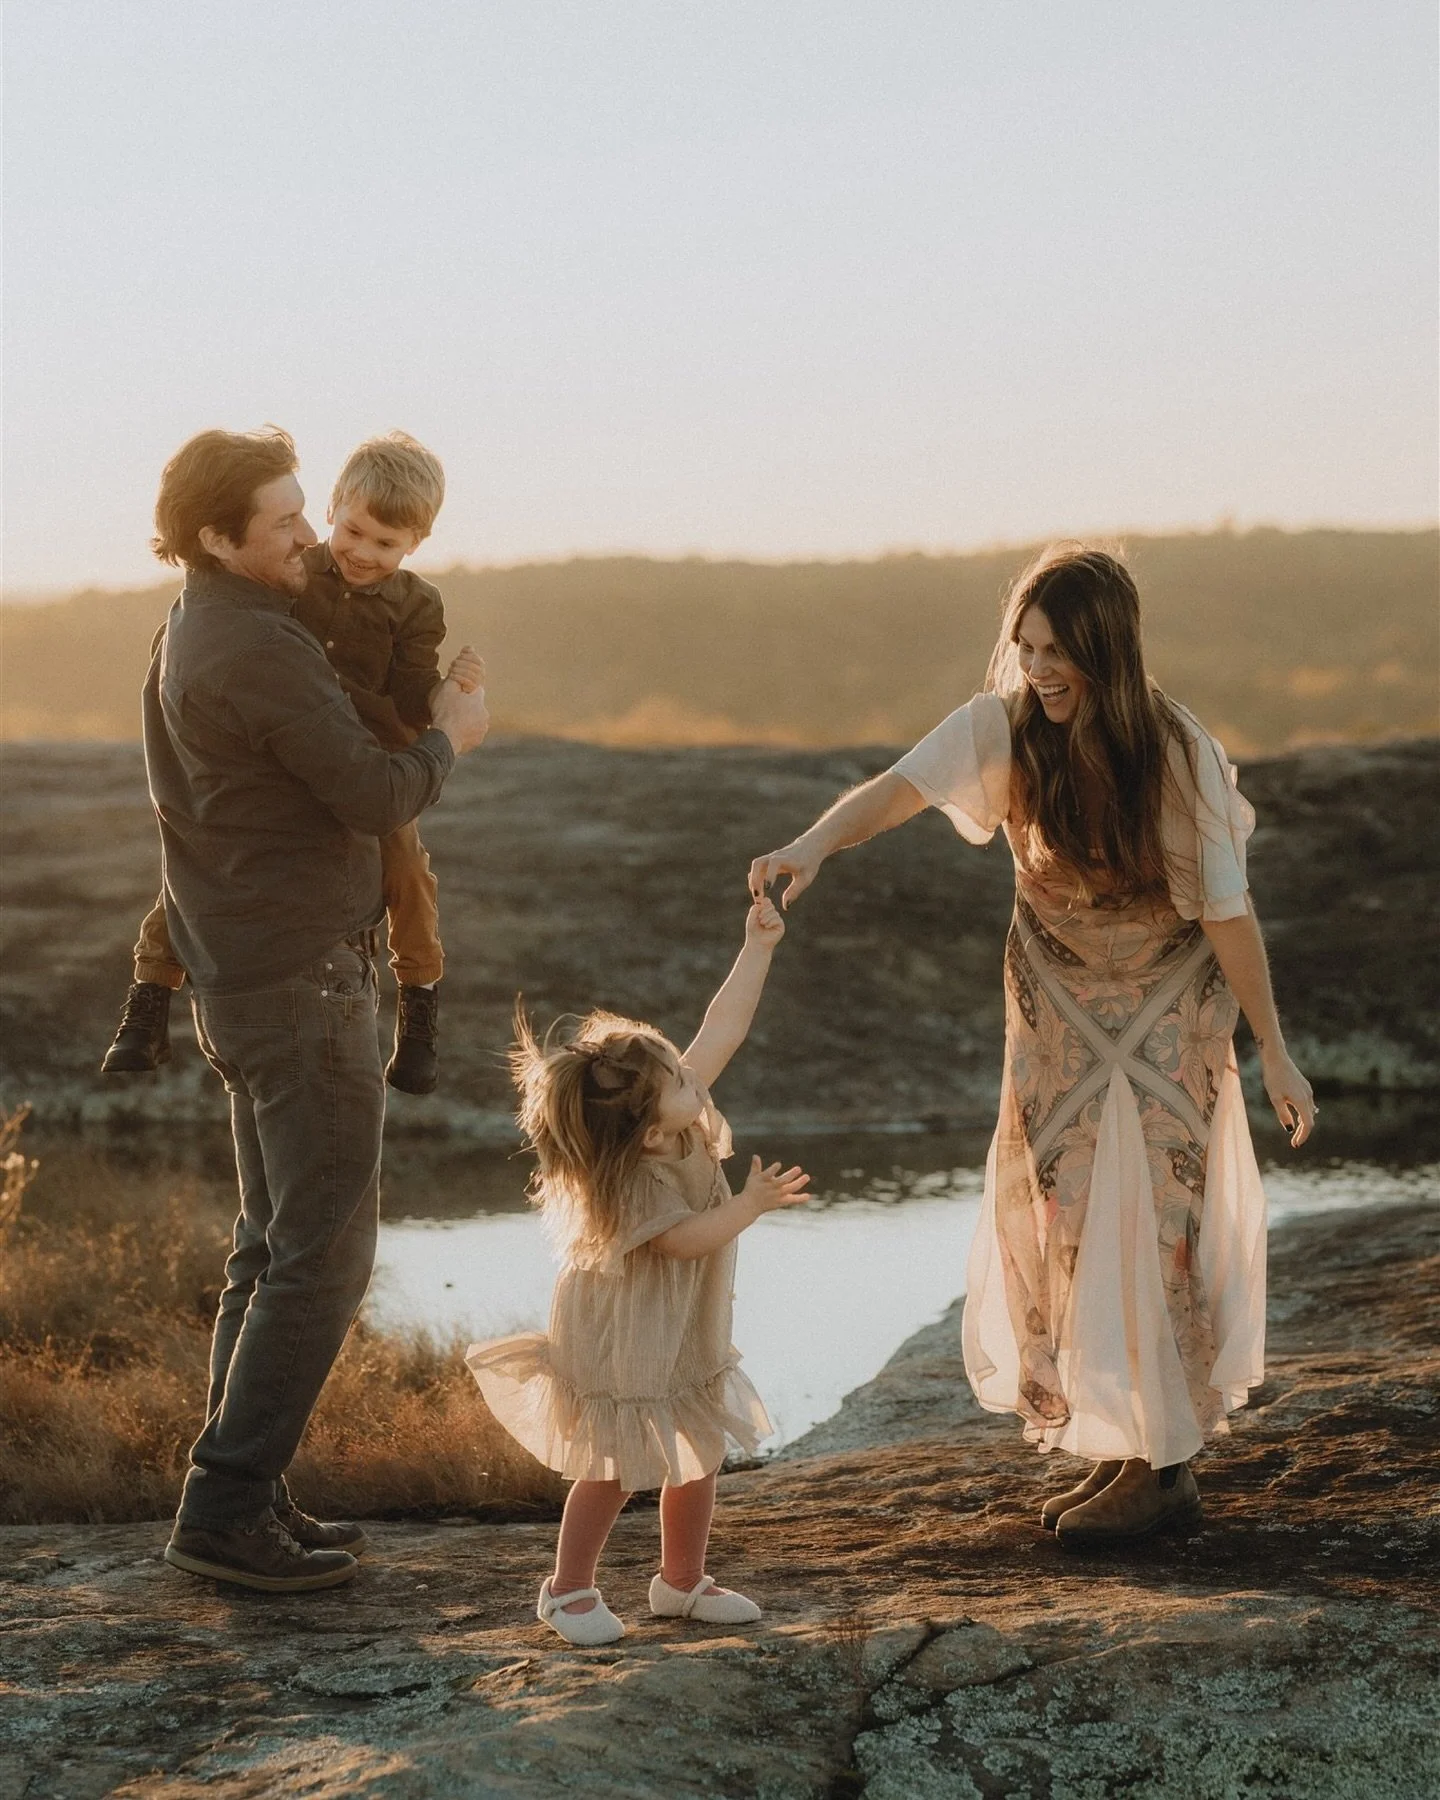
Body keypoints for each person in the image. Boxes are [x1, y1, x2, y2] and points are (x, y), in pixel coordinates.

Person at [748, 544, 1316, 1547]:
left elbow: (1228, 914)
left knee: (1154, 1212)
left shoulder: (1178, 750)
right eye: (1028, 646)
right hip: (1055, 1006)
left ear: (1107, 647)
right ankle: (1125, 1449)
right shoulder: (1000, 728)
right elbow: (893, 791)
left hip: (1166, 1007)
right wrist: (807, 848)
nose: (1039, 668)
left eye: (1059, 650)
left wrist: (1274, 1048)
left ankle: (1167, 1466)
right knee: (1066, 1214)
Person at [142, 426, 490, 1593]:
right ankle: (226, 1508)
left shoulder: (201, 624)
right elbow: (376, 787)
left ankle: (247, 1489)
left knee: (270, 1246)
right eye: (287, 521)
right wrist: (453, 733)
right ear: (216, 537)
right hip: (300, 982)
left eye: (307, 513)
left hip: (247, 972)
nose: (307, 536)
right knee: (325, 1260)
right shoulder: (261, 651)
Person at [465, 898, 810, 1644]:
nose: (695, 1078)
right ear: (651, 1132)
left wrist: (756, 945)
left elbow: (724, 1025)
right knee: (614, 1463)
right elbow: (683, 1243)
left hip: (682, 1325)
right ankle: (567, 1590)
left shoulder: (671, 1120)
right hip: (626, 1333)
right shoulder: (637, 1180)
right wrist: (749, 1204)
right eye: (681, 1080)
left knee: (697, 1448)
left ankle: (680, 1582)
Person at [103, 430, 467, 1095]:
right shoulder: (293, 575)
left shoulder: (418, 604)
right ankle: (149, 992)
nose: (361, 552)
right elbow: (271, 661)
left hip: (367, 756)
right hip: (294, 754)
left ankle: (419, 1012)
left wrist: (445, 698)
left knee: (409, 873)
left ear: (417, 543)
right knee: (190, 863)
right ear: (333, 510)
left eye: (386, 544)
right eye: (353, 531)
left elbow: (411, 689)